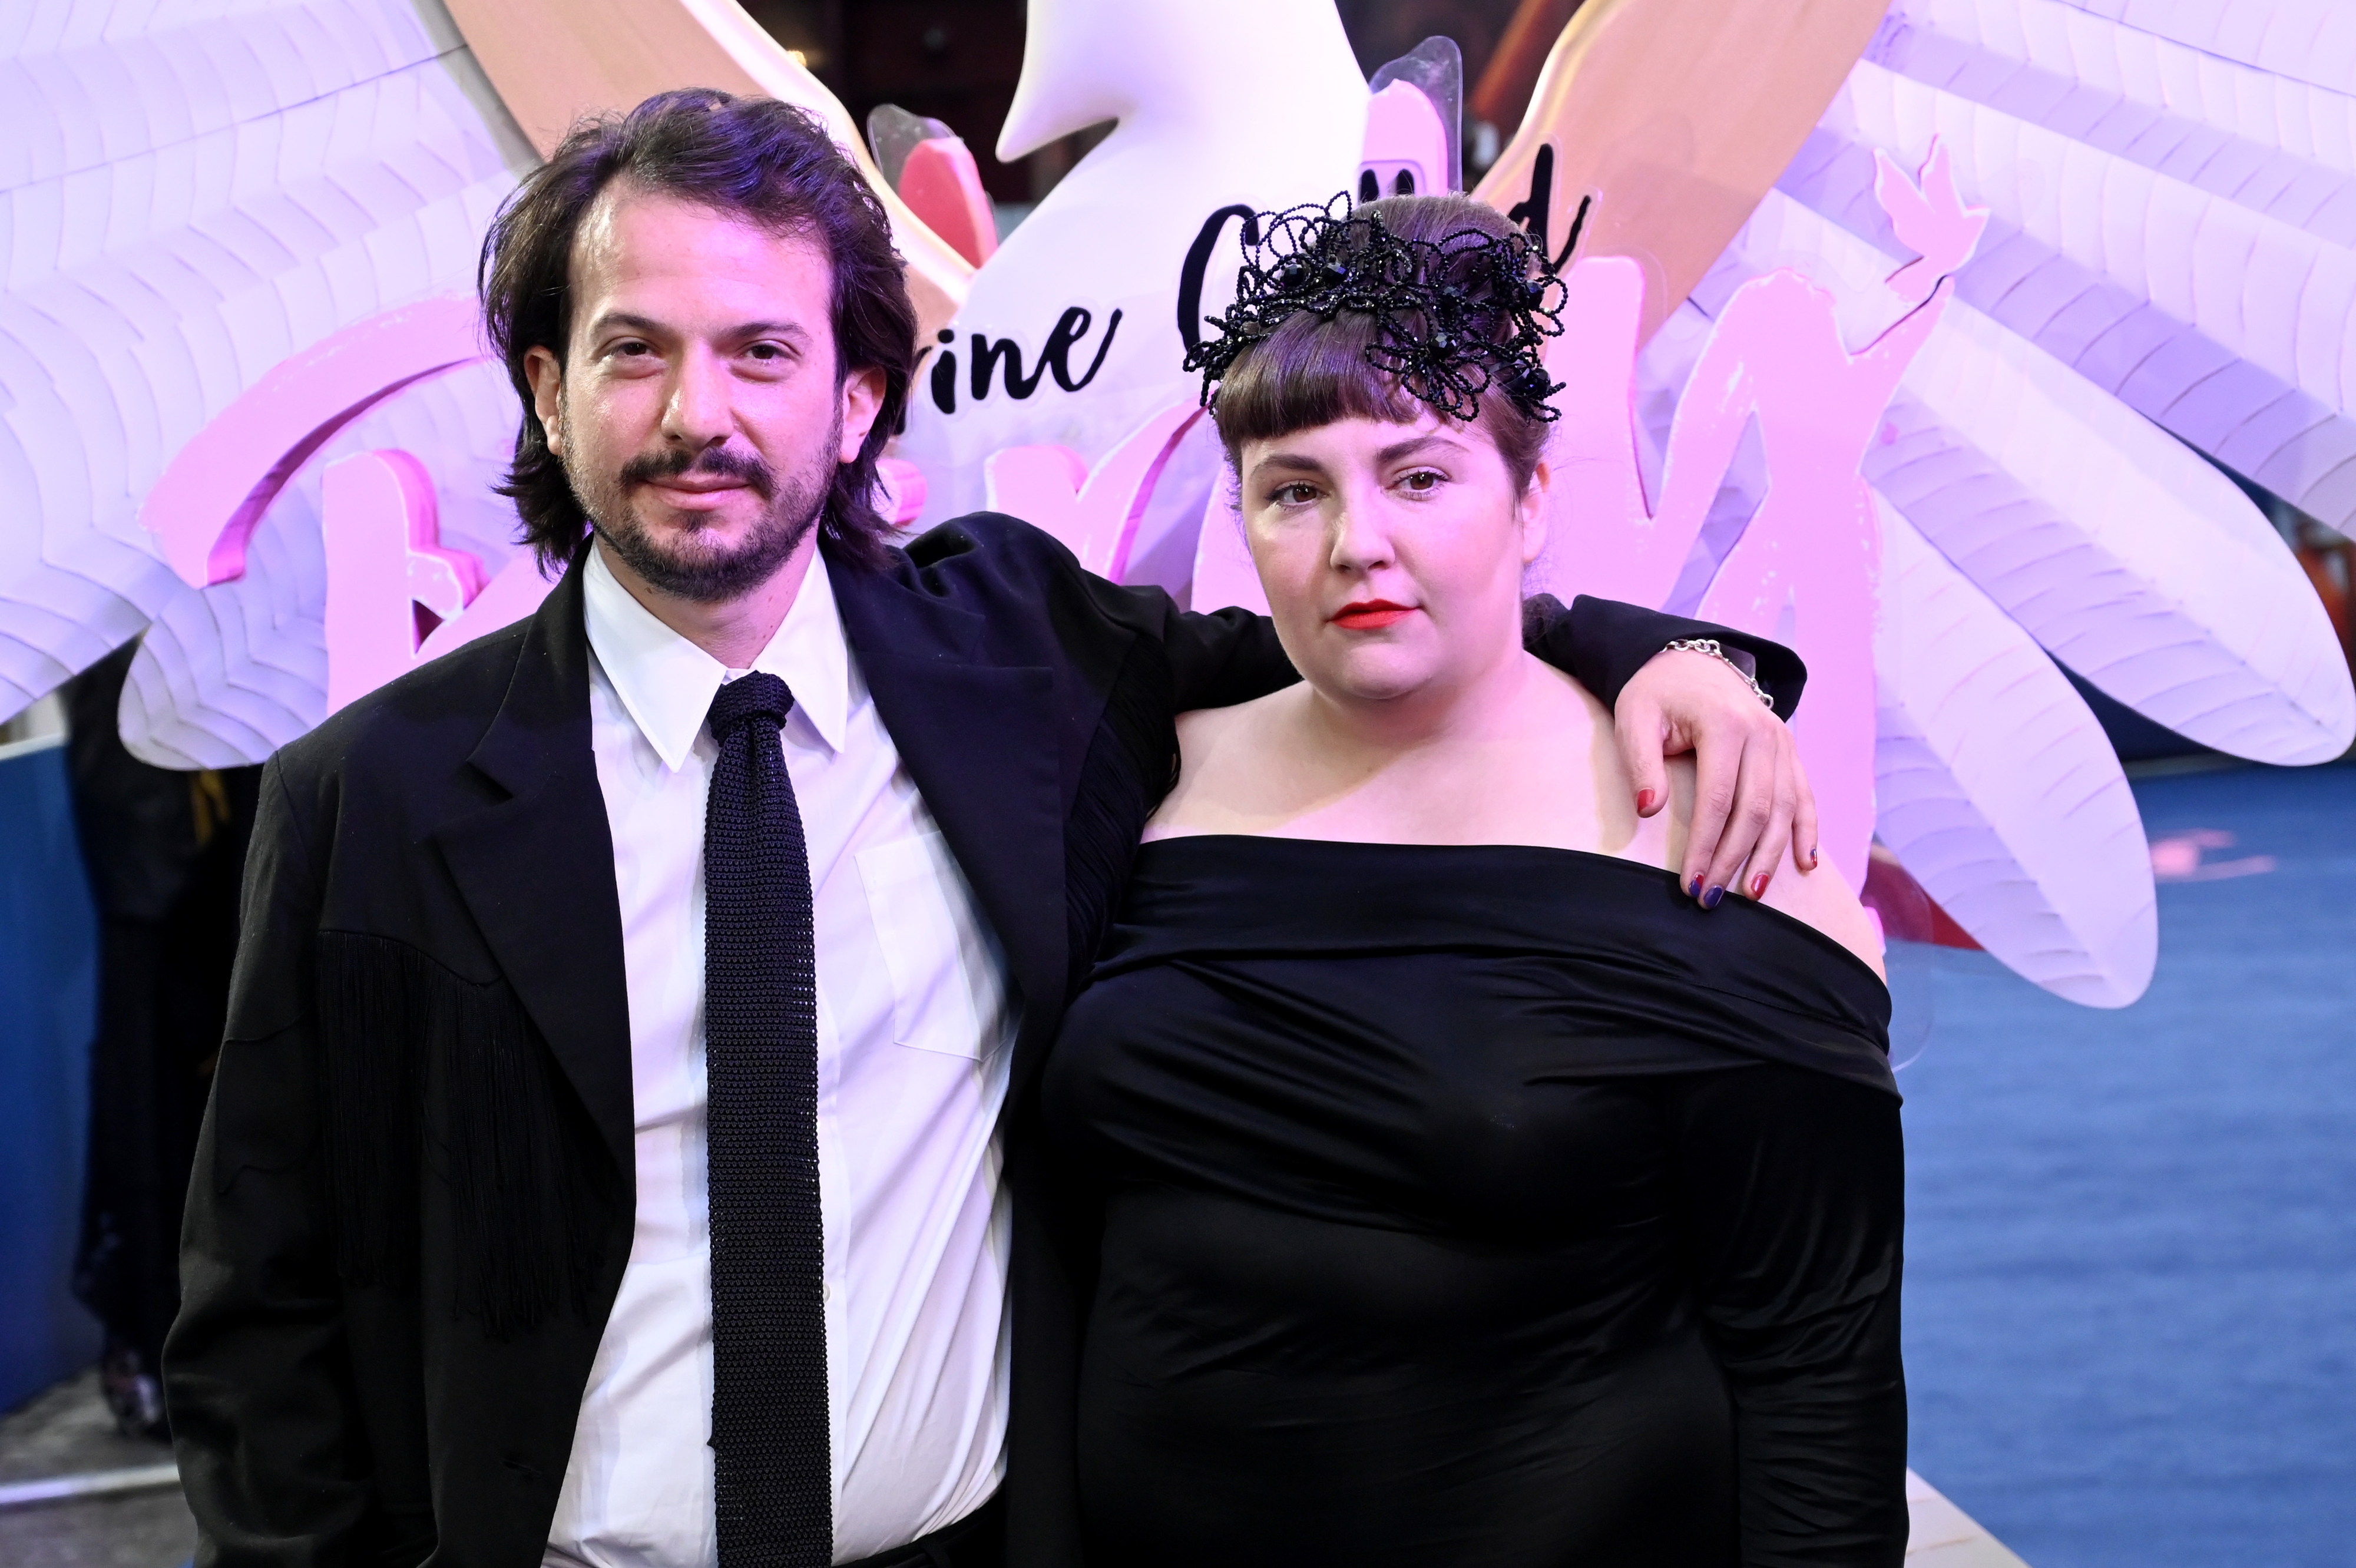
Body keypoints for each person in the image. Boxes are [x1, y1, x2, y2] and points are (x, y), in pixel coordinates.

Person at [164, 93, 1821, 1568]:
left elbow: (1359, 644)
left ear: (863, 396)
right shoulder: (364, 802)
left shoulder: (1018, 652)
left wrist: (1660, 653)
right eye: (633, 349)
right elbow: (262, 1325)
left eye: (762, 351)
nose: (698, 415)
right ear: (548, 389)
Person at [1041, 194, 1907, 1566]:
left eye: (1421, 476)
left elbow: (1818, 1370)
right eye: (1294, 489)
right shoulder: (1137, 766)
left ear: (1532, 496)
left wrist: (1676, 660)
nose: (1354, 542)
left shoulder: (1713, 826)